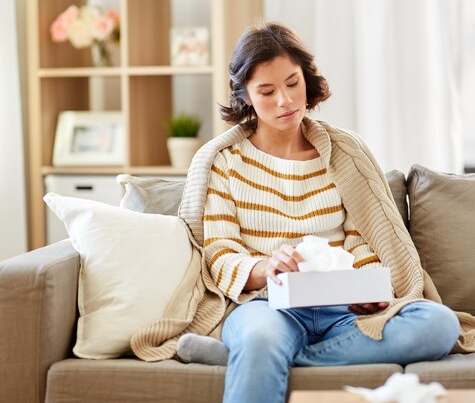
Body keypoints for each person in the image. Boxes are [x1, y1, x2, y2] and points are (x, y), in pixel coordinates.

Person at [174, 22, 460, 403]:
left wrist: (368, 289)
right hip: (266, 306)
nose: (285, 101)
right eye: (267, 91)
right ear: (245, 96)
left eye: (293, 83)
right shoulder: (225, 162)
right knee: (261, 337)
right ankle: (258, 349)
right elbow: (219, 251)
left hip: (341, 311)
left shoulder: (342, 154)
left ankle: (258, 358)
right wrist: (265, 269)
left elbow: (363, 239)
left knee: (438, 324)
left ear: (306, 77)